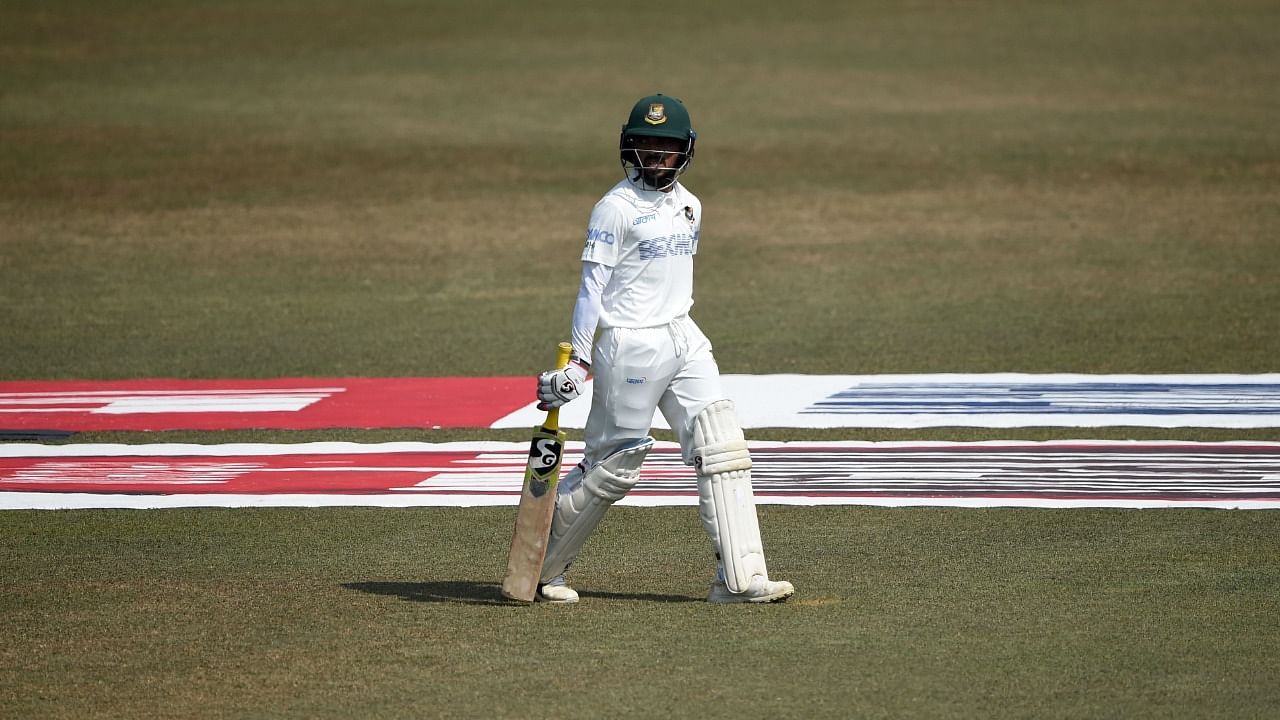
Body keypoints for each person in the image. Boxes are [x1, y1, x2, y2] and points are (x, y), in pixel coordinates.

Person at [533, 94, 794, 605]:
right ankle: (539, 568)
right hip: (631, 344)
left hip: (684, 336)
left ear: (685, 151)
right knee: (615, 465)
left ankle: (740, 581)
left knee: (721, 446)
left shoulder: (691, 205)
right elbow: (591, 287)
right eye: (646, 145)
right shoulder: (614, 210)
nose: (655, 156)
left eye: (666, 147)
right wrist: (581, 363)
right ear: (629, 148)